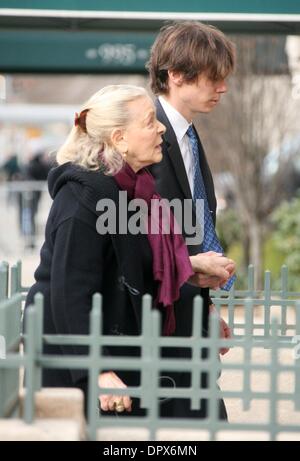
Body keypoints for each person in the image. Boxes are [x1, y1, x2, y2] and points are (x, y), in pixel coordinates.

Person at [24, 85, 235, 417]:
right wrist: (99, 370)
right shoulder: (83, 199)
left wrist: (186, 266)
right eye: (150, 122)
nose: (161, 129)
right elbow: (68, 292)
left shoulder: (137, 187)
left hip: (128, 348)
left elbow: (132, 258)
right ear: (119, 138)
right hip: (85, 365)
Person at [146, 21, 237, 419]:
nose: (222, 88)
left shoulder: (189, 137)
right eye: (213, 78)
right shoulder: (142, 136)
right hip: (154, 334)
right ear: (177, 75)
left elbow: (194, 233)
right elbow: (130, 238)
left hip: (186, 322)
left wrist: (205, 309)